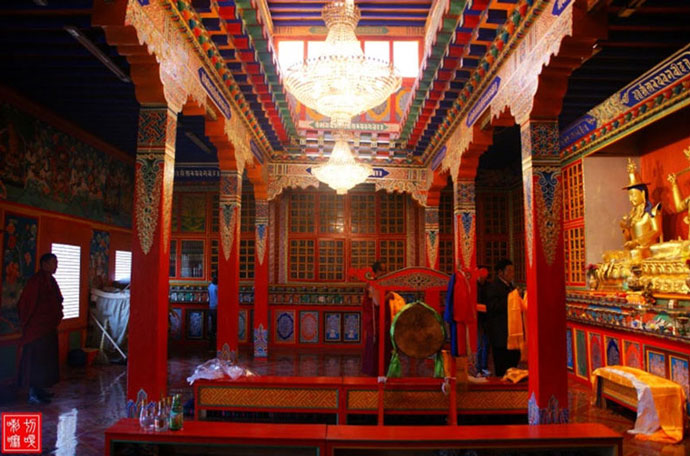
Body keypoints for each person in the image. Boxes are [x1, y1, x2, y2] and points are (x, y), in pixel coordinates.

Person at [17, 252, 63, 404]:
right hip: (36, 330)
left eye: (56, 263)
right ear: (44, 264)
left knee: (46, 362)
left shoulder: (51, 281)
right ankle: (33, 393)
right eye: (53, 263)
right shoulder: (36, 281)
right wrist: (28, 324)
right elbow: (26, 304)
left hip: (48, 328)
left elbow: (57, 300)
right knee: (35, 362)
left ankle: (41, 390)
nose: (56, 266)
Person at [485, 259, 520, 378]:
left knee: (513, 360)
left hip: (512, 331)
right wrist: (511, 298)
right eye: (509, 271)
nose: (512, 274)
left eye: (513, 271)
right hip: (500, 332)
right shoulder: (493, 287)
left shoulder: (510, 286)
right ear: (500, 272)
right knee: (501, 364)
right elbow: (493, 307)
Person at [620, 159, 661, 258]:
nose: (631, 199)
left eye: (633, 195)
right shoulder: (632, 216)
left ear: (642, 193)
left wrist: (638, 241)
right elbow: (628, 240)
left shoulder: (653, 212)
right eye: (629, 196)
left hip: (650, 251)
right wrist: (625, 229)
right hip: (635, 252)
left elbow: (657, 231)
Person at [361, 260, 386, 376]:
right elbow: (377, 302)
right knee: (374, 344)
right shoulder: (373, 283)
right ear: (376, 272)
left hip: (380, 319)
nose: (385, 273)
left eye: (385, 270)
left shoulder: (381, 283)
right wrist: (390, 296)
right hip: (375, 320)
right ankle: (374, 370)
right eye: (382, 270)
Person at [475, 267, 490, 377]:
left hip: (487, 318)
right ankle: (478, 368)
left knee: (486, 344)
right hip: (477, 318)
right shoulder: (474, 286)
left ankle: (484, 366)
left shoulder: (489, 286)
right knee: (479, 344)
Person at [208, 272, 218, 351]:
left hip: (211, 307)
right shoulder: (217, 287)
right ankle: (216, 346)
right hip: (216, 308)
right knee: (217, 328)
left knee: (213, 327)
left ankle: (211, 346)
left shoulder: (210, 286)